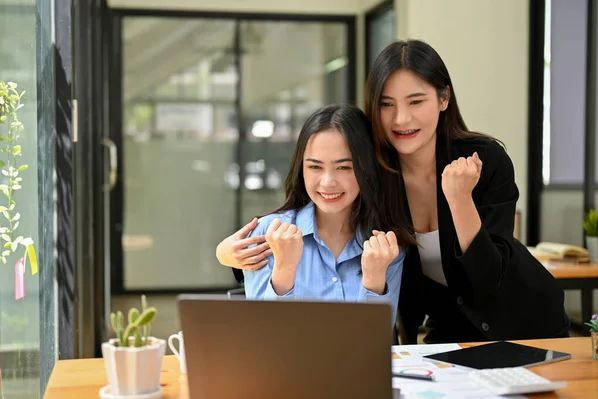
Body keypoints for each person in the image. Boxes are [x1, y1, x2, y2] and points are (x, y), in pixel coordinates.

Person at [217, 39, 570, 344]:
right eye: (387, 104)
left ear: (444, 98)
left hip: (522, 318)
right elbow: (321, 221)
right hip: (448, 328)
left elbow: (487, 277)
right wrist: (225, 253)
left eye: (416, 101)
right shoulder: (375, 169)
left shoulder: (483, 161)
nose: (401, 119)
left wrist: (460, 200)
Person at [233, 104, 410, 329]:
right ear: (301, 169)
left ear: (366, 168)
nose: (328, 182)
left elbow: (372, 345)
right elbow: (261, 339)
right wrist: (284, 270)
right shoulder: (267, 235)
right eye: (315, 167)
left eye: (344, 168)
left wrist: (373, 282)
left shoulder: (386, 248)